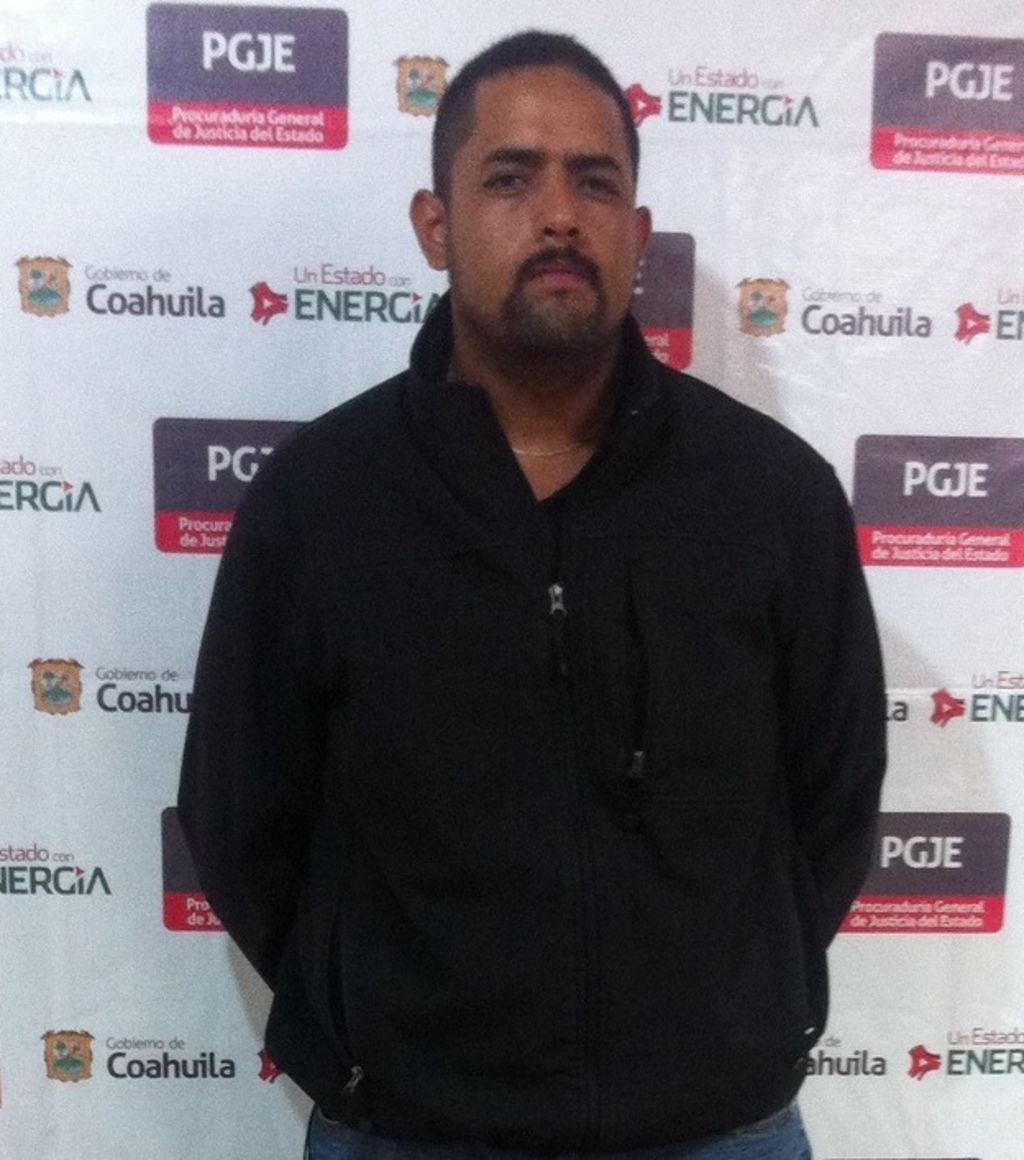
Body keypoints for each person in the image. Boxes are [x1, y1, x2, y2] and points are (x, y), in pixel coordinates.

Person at [178, 30, 886, 1160]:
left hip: (716, 1126)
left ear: (637, 233)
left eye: (594, 182)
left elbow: (834, 796)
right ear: (435, 225)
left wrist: (738, 1007)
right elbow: (239, 813)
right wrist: (373, 1035)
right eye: (510, 178)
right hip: (410, 1127)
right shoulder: (321, 501)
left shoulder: (770, 495)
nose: (559, 214)